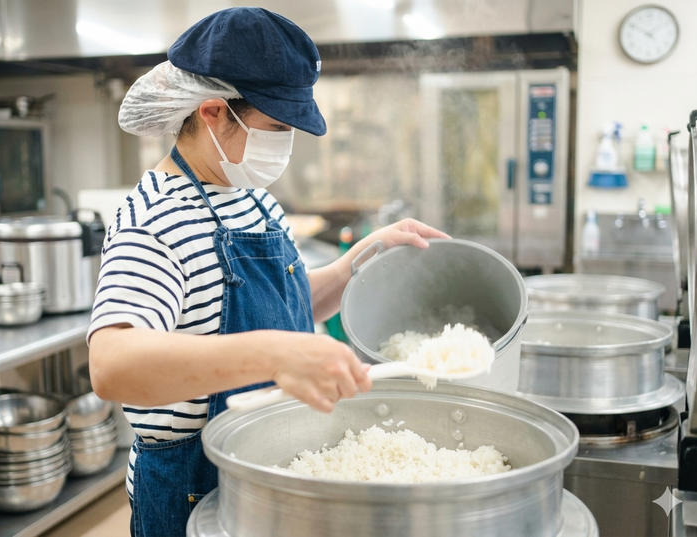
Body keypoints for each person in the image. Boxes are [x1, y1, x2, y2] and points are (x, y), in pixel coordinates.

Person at [87, 7, 449, 537]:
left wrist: (356, 264)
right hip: (195, 485)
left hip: (271, 465)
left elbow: (284, 303)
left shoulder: (251, 200)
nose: (284, 143)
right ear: (213, 113)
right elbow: (112, 363)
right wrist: (277, 355)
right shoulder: (155, 220)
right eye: (275, 127)